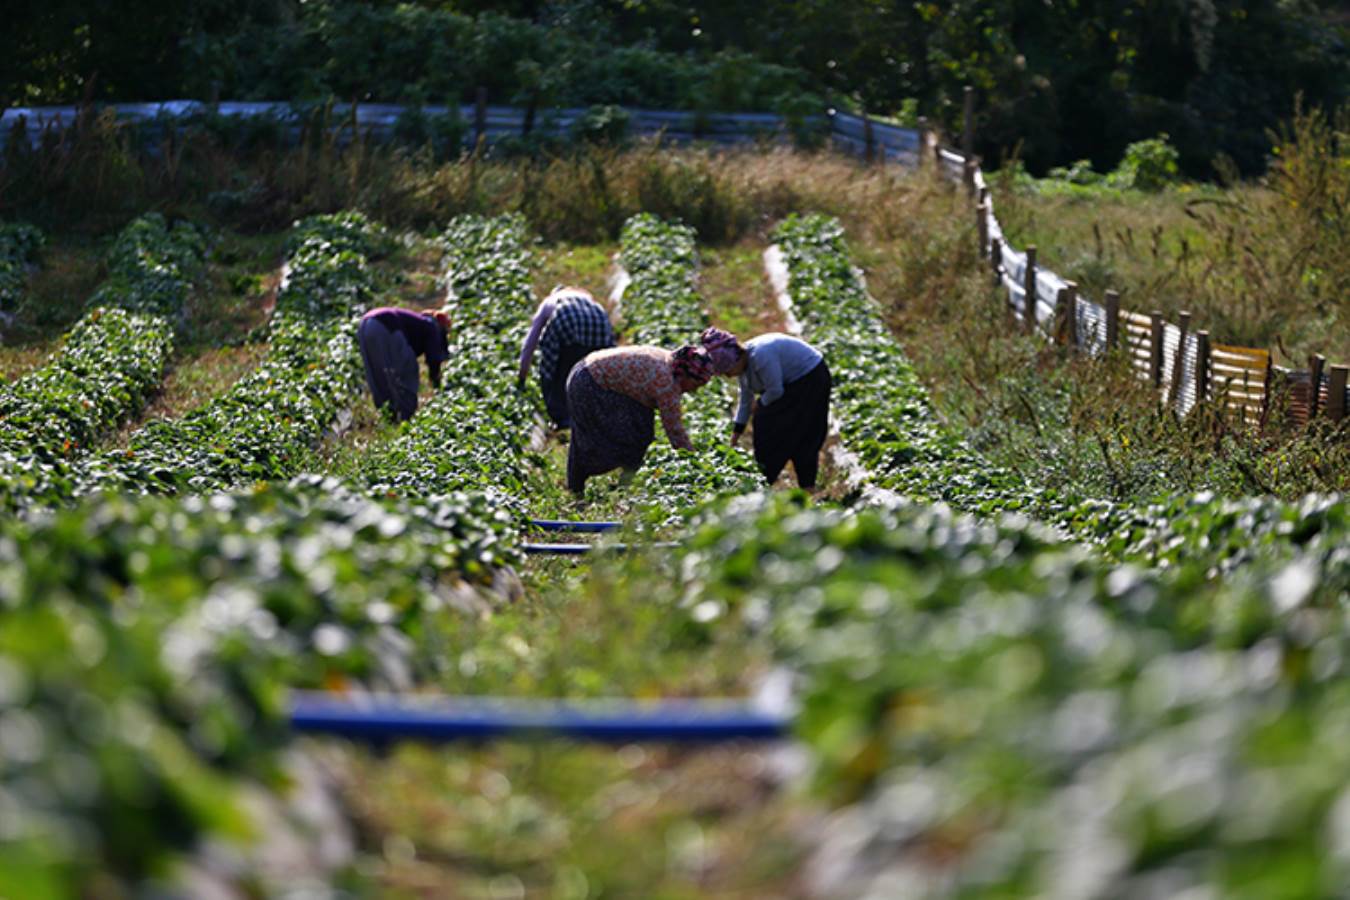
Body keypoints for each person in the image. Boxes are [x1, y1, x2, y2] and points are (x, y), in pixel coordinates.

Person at [564, 344, 714, 495]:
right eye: (695, 384)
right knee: (604, 441)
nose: (694, 390)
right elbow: (675, 432)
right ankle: (578, 487)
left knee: (641, 431)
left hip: (589, 371)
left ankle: (623, 486)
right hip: (589, 383)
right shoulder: (667, 383)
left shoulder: (670, 361)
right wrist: (696, 465)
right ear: (685, 374)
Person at [701, 326, 831, 490]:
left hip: (810, 377)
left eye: (727, 371)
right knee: (770, 425)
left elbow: (775, 390)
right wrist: (736, 433)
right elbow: (745, 400)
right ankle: (764, 480)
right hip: (788, 384)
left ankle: (799, 485)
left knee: (801, 432)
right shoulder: (743, 367)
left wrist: (760, 404)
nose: (727, 376)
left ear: (735, 360)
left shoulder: (761, 355)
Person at [517, 286, 617, 427]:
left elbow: (531, 340)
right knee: (592, 374)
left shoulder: (551, 301)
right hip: (598, 322)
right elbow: (611, 349)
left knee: (559, 371)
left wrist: (522, 374)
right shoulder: (590, 301)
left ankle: (563, 417)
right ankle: (593, 415)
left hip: (565, 320)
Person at [357, 306, 451, 422]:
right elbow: (434, 360)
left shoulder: (418, 321)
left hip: (364, 325)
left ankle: (388, 413)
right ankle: (406, 416)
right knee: (406, 370)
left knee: (377, 372)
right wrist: (437, 386)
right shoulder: (431, 326)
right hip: (386, 325)